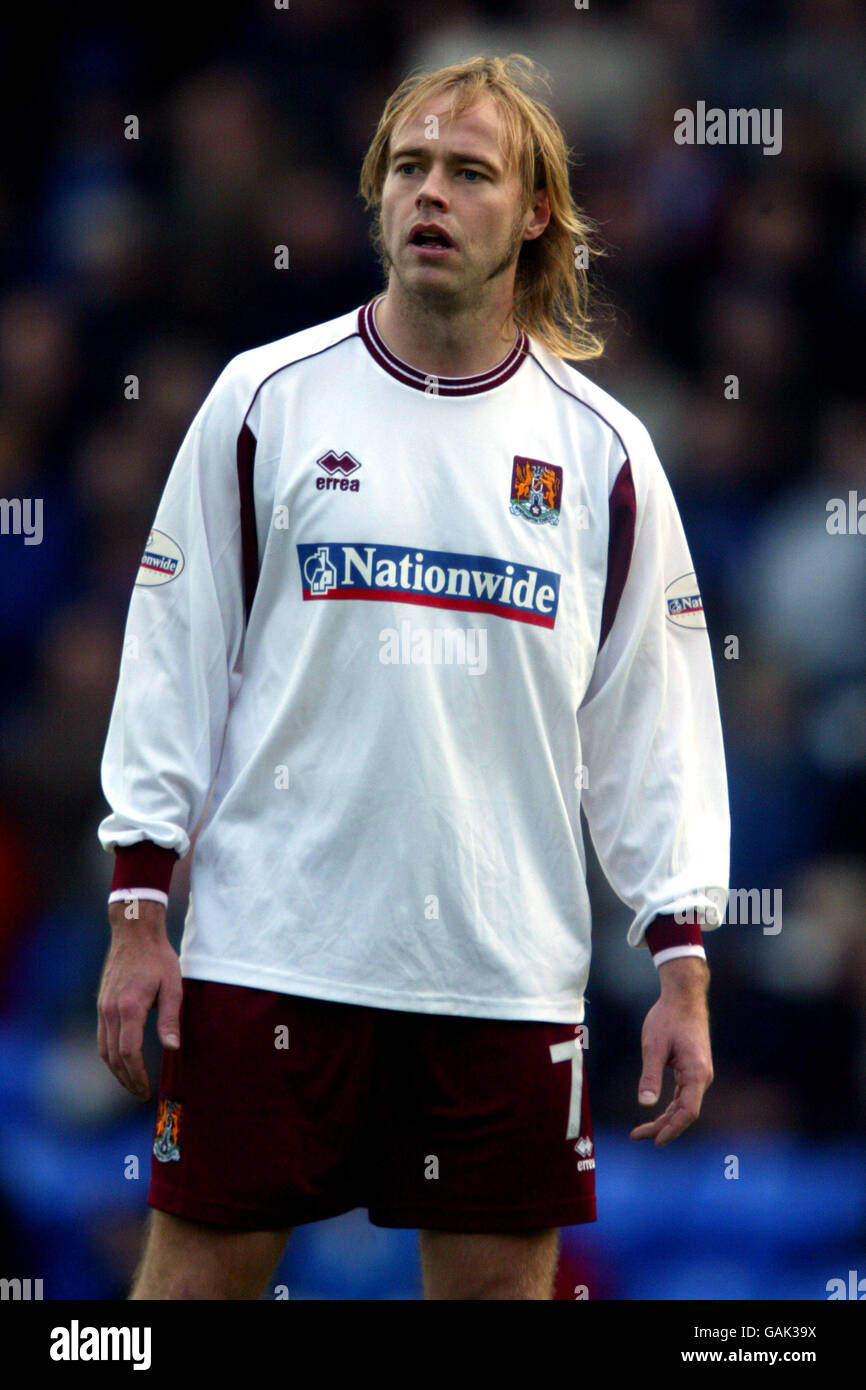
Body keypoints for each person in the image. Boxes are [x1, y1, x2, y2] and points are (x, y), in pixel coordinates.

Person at [96, 53, 729, 1301]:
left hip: (499, 973)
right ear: (378, 196)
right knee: (183, 1298)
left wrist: (681, 958)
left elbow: (653, 723)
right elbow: (170, 657)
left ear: (533, 210)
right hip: (271, 951)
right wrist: (137, 908)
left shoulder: (601, 451)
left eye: (469, 171)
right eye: (410, 167)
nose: (431, 192)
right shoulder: (262, 400)